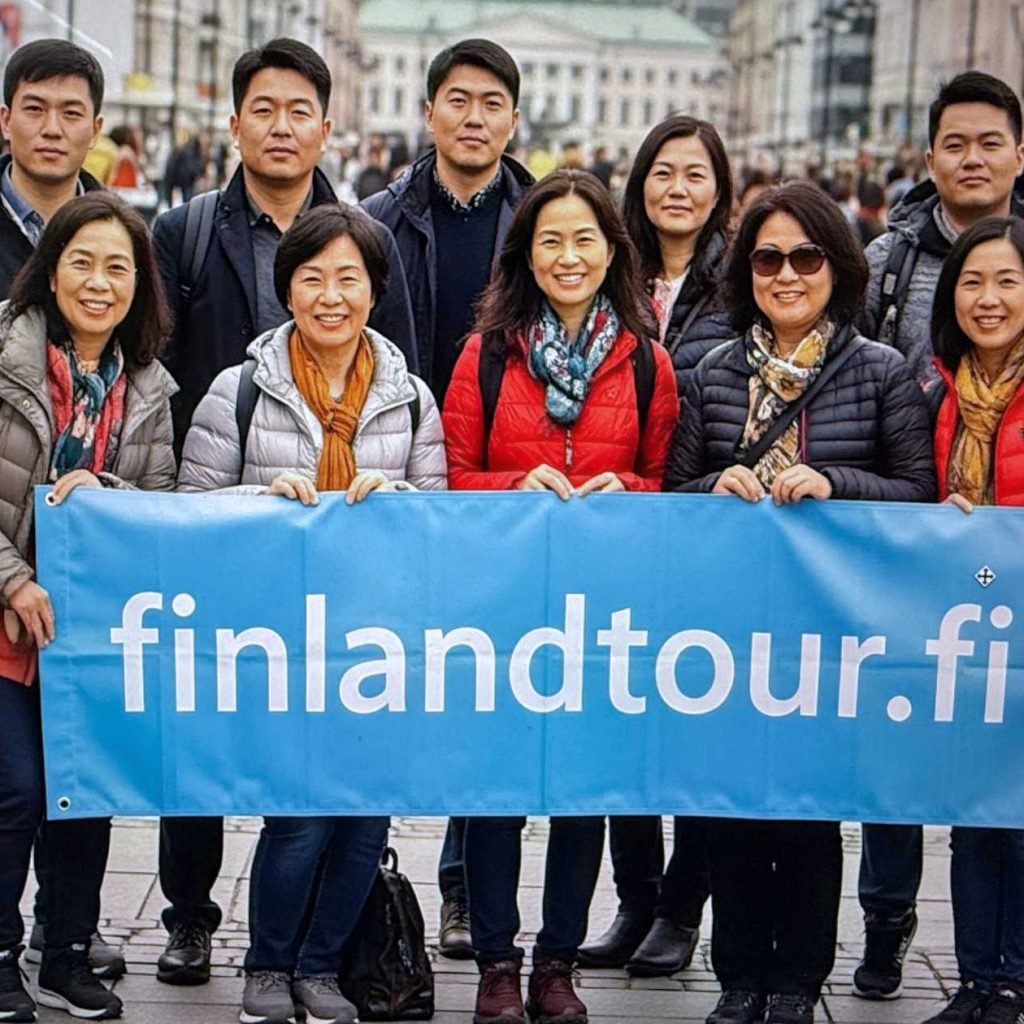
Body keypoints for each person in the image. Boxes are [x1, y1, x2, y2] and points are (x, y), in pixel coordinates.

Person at [150, 38, 417, 987]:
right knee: (224, 776)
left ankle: (321, 957)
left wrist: (403, 507)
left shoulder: (366, 247)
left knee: (349, 802)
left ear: (326, 124)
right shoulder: (183, 233)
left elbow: (428, 481)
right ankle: (194, 920)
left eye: (299, 109)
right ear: (235, 122)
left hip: (368, 625)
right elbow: (159, 370)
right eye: (263, 108)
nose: (281, 126)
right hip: (249, 566)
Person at [665, 181, 935, 1024]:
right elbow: (673, 493)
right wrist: (721, 482)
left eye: (806, 256)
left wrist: (834, 483)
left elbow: (919, 493)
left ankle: (796, 981)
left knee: (811, 820)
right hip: (732, 633)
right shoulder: (711, 374)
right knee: (736, 812)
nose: (787, 274)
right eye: (768, 258)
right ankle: (739, 977)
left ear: (837, 265)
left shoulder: (880, 372)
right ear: (748, 273)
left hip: (833, 635)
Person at [177, 202, 445, 1024]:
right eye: (312, 278)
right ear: (286, 288)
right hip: (279, 642)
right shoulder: (240, 394)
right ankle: (268, 963)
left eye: (349, 279)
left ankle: (323, 966)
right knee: (297, 818)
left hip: (376, 647)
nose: (331, 296)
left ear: (375, 291)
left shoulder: (409, 400)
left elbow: (441, 523)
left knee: (363, 818)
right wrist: (261, 503)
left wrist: (395, 499)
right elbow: (191, 513)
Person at [442, 169, 679, 1024]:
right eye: (550, 240)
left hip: (603, 616)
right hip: (502, 608)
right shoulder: (486, 355)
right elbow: (453, 479)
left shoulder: (649, 364)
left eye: (584, 239)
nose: (567, 256)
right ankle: (498, 965)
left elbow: (664, 485)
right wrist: (518, 485)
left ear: (611, 250)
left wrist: (628, 492)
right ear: (526, 256)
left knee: (584, 795)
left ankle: (557, 964)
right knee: (497, 793)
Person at [855, 70, 1024, 1003]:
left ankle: (999, 976)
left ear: (1016, 153)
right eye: (954, 144)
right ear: (930, 158)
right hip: (923, 551)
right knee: (903, 763)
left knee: (1000, 795)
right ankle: (890, 927)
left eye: (989, 141)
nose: (972, 158)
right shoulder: (889, 259)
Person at [362, 36, 532, 959]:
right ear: (429, 112)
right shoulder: (382, 217)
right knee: (379, 680)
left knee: (489, 693)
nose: (474, 118)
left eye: (491, 102)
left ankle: (466, 884)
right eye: (457, 100)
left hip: (499, 487)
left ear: (514, 117)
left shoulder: (539, 218)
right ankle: (368, 877)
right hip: (402, 477)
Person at [0, 191, 176, 1022]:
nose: (99, 283)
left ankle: (67, 951)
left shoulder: (148, 386)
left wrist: (102, 491)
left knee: (84, 792)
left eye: (119, 267)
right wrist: (12, 580)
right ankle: (1, 957)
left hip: (93, 632)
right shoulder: (6, 355)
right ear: (50, 269)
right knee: (16, 792)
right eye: (83, 262)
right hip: (6, 618)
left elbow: (162, 502)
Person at [576, 114, 734, 978]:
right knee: (621, 730)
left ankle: (683, 906)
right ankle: (635, 899)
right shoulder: (612, 272)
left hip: (708, 527)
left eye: (696, 175)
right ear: (639, 183)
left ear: (719, 190)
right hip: (624, 529)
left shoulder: (744, 277)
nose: (678, 189)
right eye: (663, 172)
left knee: (702, 730)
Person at [922, 215, 1024, 1024]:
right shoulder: (947, 392)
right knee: (972, 818)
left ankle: (1013, 979)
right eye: (972, 282)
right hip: (971, 627)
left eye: (1007, 282)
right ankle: (974, 979)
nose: (987, 300)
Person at [0, 39, 106, 297]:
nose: (52, 130)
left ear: (95, 130)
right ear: (6, 121)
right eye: (35, 109)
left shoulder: (122, 235)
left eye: (71, 113)